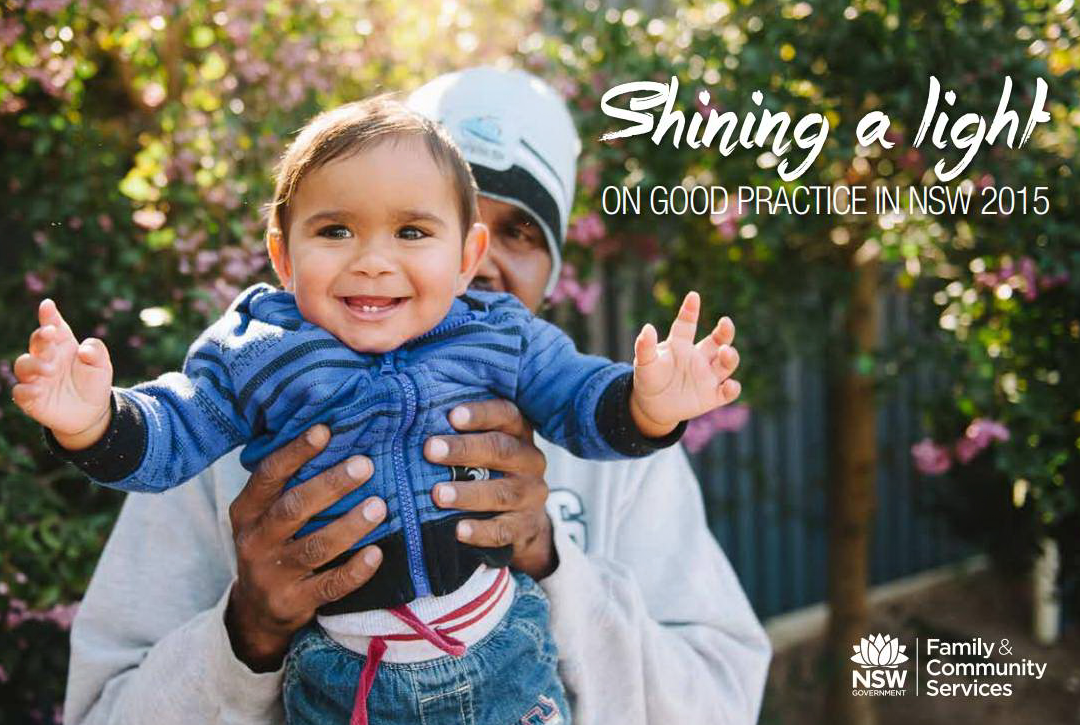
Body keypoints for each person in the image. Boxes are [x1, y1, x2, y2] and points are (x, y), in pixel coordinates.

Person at [59, 68, 771, 725]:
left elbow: (721, 697)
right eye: (370, 224)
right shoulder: (250, 414)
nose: (480, 261)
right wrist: (248, 629)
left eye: (518, 231)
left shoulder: (620, 435)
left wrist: (550, 560)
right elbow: (101, 708)